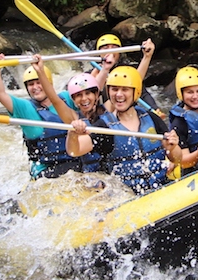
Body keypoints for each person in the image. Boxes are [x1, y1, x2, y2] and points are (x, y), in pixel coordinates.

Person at [66, 66, 182, 194]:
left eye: (124, 90)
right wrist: (72, 134)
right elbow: (74, 151)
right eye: (114, 89)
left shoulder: (151, 118)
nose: (119, 94)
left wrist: (172, 148)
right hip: (127, 196)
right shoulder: (104, 127)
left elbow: (177, 159)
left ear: (135, 92)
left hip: (161, 187)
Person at [0, 54, 81, 179]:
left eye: (39, 82)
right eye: (31, 84)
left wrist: (104, 68)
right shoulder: (24, 108)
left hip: (76, 162)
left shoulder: (66, 98)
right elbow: (0, 94)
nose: (35, 87)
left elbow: (90, 93)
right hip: (46, 168)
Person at [90, 33, 163, 115]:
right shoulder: (91, 73)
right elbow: (88, 97)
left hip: (128, 110)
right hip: (105, 113)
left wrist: (154, 107)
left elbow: (142, 91)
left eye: (114, 48)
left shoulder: (127, 70)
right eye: (105, 48)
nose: (110, 51)